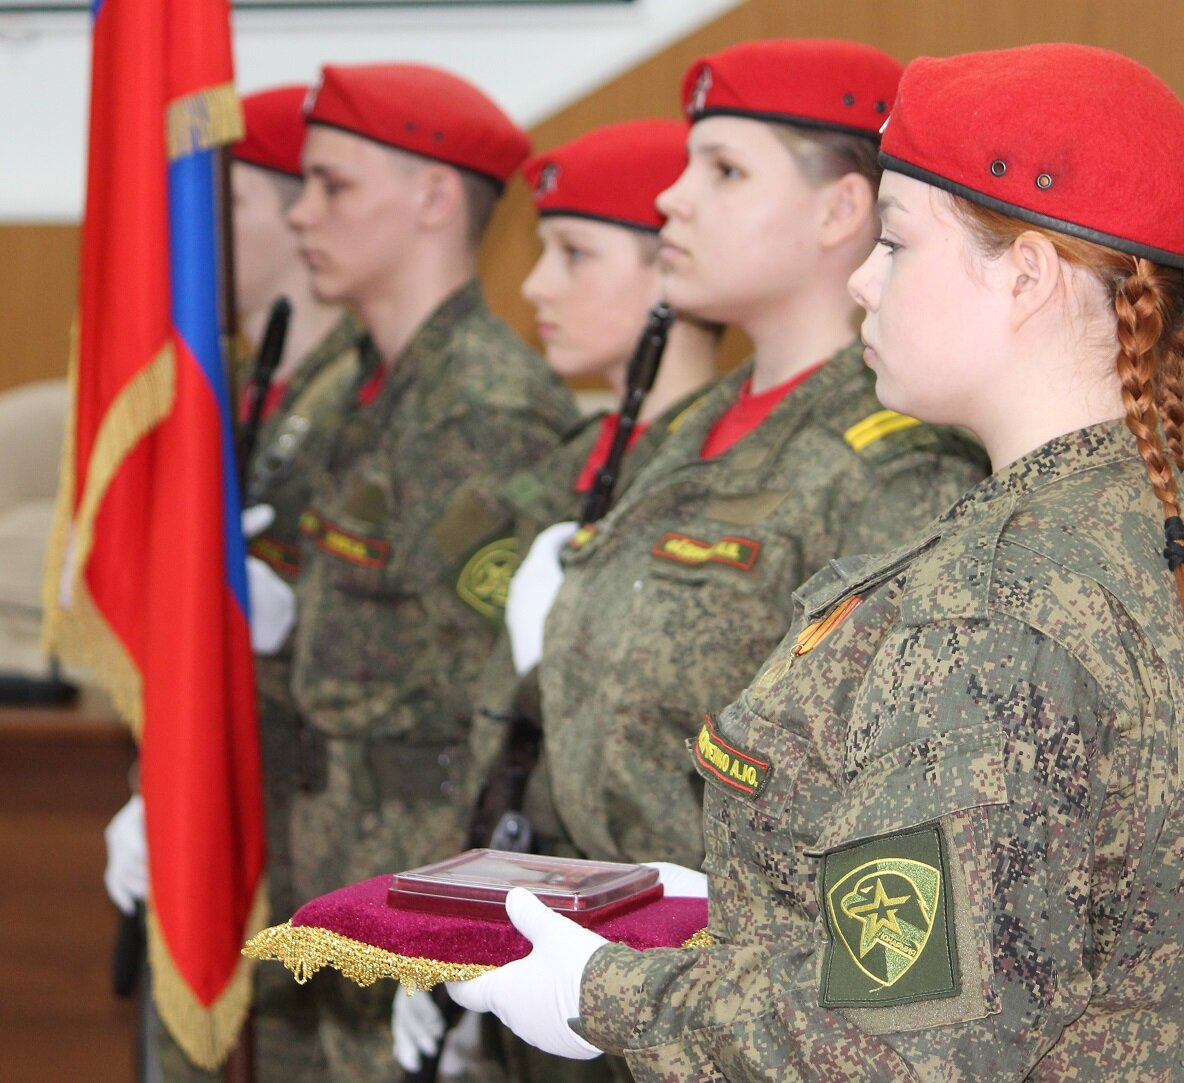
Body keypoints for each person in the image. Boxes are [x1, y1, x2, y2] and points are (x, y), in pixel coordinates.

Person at [448, 42, 1184, 1081]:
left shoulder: (999, 603)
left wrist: (596, 991)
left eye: (896, 244)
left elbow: (892, 1043)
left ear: (1023, 277)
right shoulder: (1118, 515)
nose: (863, 280)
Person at [534, 38, 988, 877]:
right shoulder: (688, 428)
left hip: (746, 962)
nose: (672, 198)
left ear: (838, 211)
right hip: (608, 929)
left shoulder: (905, 461)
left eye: (725, 172)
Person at [397, 118, 721, 1083]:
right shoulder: (558, 477)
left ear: (672, 267)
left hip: (660, 957)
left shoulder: (719, 485)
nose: (535, 284)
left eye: (574, 252)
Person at [281, 62, 580, 1082]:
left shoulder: (479, 410)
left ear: (434, 197)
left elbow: (494, 706)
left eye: (334, 185)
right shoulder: (366, 385)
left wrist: (463, 935)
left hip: (418, 874)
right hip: (342, 854)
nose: (300, 213)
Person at [102, 82, 372, 1083]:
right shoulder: (240, 381)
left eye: (227, 203)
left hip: (310, 830)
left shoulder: (351, 391)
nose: (195, 229)